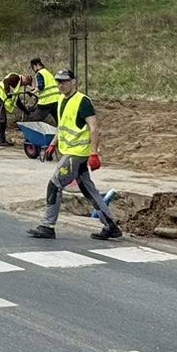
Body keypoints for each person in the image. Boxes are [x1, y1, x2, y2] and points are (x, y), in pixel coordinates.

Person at [27, 69, 121, 241]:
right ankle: (111, 226)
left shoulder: (83, 101)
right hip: (70, 152)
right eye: (58, 82)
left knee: (54, 185)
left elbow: (94, 127)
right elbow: (63, 126)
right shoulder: (61, 100)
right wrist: (53, 143)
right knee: (88, 190)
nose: (60, 85)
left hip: (77, 154)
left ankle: (47, 226)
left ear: (73, 82)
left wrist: (94, 153)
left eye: (64, 81)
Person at [0, 72, 24, 146]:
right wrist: (7, 93)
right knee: (1, 119)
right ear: (24, 79)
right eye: (25, 83)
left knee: (3, 120)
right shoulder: (16, 77)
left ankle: (1, 139)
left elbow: (17, 101)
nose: (24, 85)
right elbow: (6, 81)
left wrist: (25, 110)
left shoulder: (18, 86)